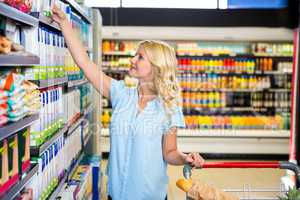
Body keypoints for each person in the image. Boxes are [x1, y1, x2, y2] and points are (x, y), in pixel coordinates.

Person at [51, 4, 205, 200]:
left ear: (156, 67)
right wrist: (64, 24)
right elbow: (84, 63)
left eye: (140, 57)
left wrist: (186, 158)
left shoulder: (169, 107)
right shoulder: (120, 94)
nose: (132, 60)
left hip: (150, 195)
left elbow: (170, 152)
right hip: (116, 193)